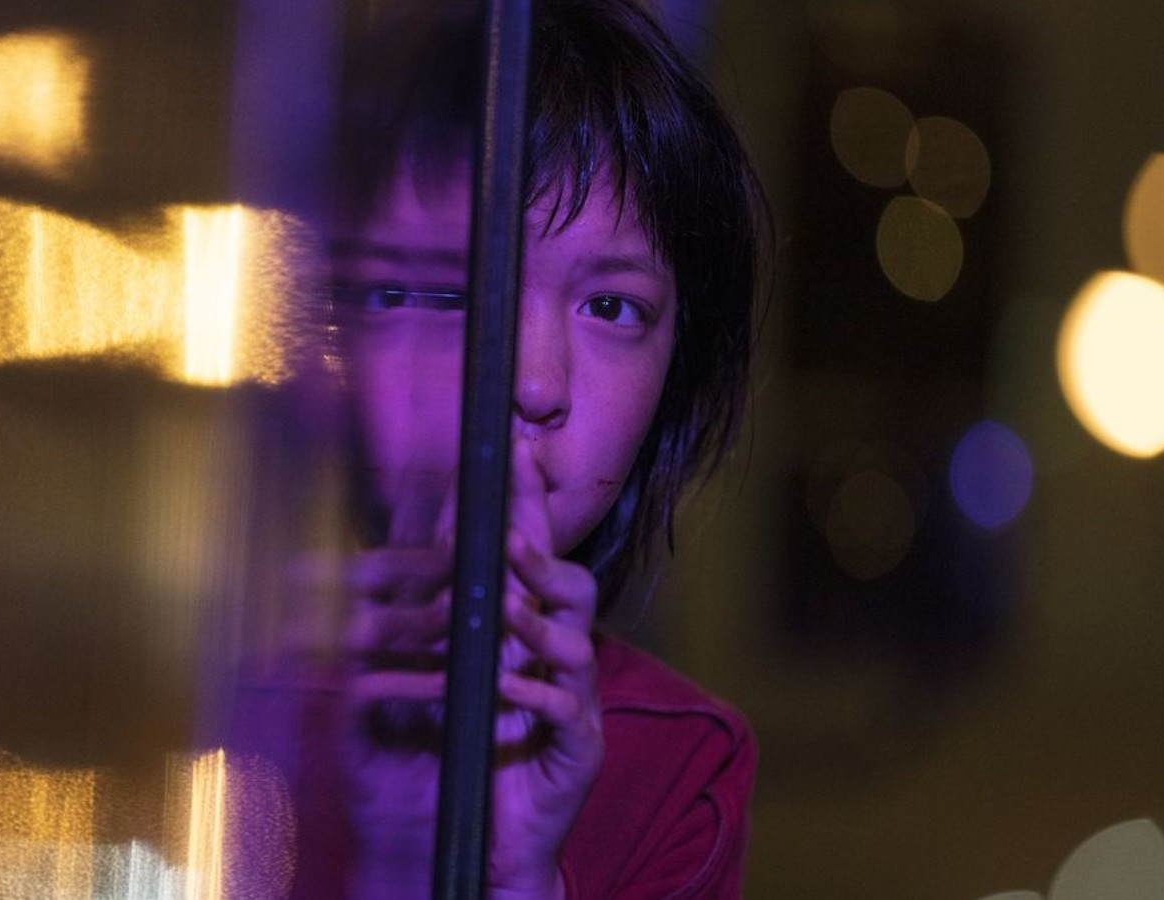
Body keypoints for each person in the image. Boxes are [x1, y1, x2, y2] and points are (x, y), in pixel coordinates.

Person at [235, 1, 771, 897]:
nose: (531, 383)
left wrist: (518, 873)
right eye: (449, 287)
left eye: (613, 309)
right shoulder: (200, 686)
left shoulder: (676, 767)